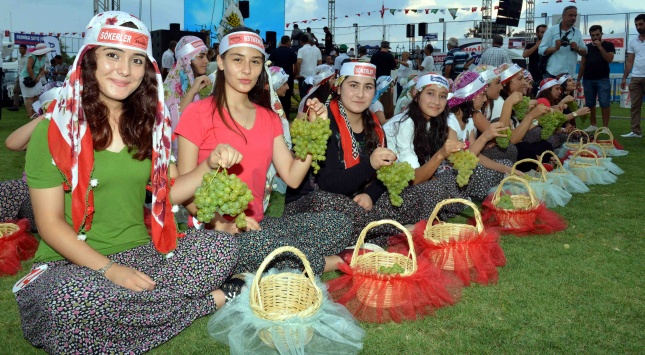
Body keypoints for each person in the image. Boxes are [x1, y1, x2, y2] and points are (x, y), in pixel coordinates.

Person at [15, 12, 242, 353]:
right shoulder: (54, 130)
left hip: (144, 253)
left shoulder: (147, 127)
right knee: (67, 303)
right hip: (71, 265)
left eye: (136, 60)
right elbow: (48, 225)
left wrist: (209, 166)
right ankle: (212, 300)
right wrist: (110, 270)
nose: (124, 70)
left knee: (221, 248)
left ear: (146, 68)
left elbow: (169, 195)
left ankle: (140, 309)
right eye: (112, 55)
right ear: (89, 58)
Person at [175, 27, 353, 276]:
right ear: (221, 62)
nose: (247, 70)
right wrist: (223, 225)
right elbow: (186, 192)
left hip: (257, 225)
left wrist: (314, 132)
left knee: (338, 223)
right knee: (265, 246)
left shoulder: (269, 118)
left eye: (255, 61)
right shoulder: (197, 113)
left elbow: (292, 176)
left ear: (262, 66)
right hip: (215, 232)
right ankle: (328, 261)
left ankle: (284, 259)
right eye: (237, 59)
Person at [163, 36, 214, 157]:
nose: (206, 61)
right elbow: (173, 121)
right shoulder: (168, 89)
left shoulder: (198, 83)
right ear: (186, 59)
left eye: (206, 56)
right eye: (200, 56)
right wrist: (192, 92)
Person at [576, 25, 615, 132]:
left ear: (601, 34)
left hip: (603, 79)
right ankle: (593, 124)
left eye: (597, 34)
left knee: (604, 102)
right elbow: (582, 64)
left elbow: (609, 59)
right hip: (588, 79)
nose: (595, 37)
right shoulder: (587, 48)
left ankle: (605, 127)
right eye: (593, 35)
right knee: (590, 103)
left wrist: (600, 47)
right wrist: (578, 79)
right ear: (590, 36)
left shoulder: (608, 45)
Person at [538, 6, 587, 79]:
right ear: (563, 16)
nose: (573, 18)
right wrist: (555, 48)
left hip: (570, 75)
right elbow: (541, 50)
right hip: (553, 74)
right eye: (570, 15)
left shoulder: (577, 32)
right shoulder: (551, 31)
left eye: (575, 15)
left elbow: (585, 51)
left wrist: (577, 48)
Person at [620, 14, 645, 138]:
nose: (638, 27)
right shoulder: (633, 41)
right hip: (636, 77)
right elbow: (629, 61)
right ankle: (635, 132)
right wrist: (624, 77)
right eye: (636, 25)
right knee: (635, 105)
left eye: (640, 24)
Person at [19, 43, 53, 118]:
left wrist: (39, 76)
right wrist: (34, 78)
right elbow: (29, 68)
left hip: (37, 78)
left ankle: (36, 112)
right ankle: (30, 114)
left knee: (36, 95)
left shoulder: (43, 58)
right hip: (27, 78)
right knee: (29, 97)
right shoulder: (32, 56)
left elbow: (42, 69)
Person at [268, 35, 297, 114]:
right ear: (288, 42)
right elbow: (296, 64)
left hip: (276, 79)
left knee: (275, 97)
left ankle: (275, 114)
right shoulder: (291, 52)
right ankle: (285, 115)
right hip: (288, 78)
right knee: (287, 98)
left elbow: (269, 64)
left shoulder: (275, 51)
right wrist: (295, 74)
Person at [370, 41, 397, 120]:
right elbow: (394, 67)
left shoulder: (375, 55)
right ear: (388, 48)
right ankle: (386, 117)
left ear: (381, 47)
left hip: (376, 80)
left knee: (375, 99)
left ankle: (375, 116)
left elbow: (372, 66)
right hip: (386, 82)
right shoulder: (390, 56)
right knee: (387, 100)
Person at [295, 33, 322, 100]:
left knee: (304, 97)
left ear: (301, 41)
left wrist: (297, 74)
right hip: (314, 76)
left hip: (303, 76)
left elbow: (298, 62)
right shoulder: (317, 49)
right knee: (313, 95)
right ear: (309, 41)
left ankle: (304, 109)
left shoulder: (301, 50)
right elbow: (320, 63)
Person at [523, 25, 547, 97]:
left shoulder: (549, 46)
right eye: (542, 32)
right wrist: (538, 45)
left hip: (545, 77)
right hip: (534, 78)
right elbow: (525, 55)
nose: (544, 34)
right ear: (537, 34)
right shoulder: (530, 45)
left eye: (546, 32)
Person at [8, 44, 28, 111]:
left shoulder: (28, 57)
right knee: (15, 90)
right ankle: (16, 105)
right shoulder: (19, 57)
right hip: (19, 75)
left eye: (21, 48)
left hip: (26, 76)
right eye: (19, 48)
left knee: (26, 92)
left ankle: (28, 105)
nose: (20, 50)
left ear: (25, 49)